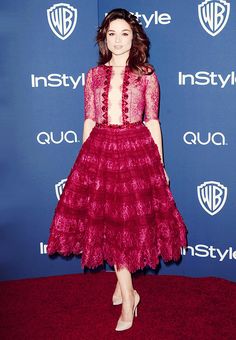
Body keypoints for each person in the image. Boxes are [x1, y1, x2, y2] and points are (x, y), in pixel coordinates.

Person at [47, 8, 188, 332]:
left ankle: (129, 300)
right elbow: (89, 119)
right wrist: (84, 161)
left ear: (134, 37)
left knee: (126, 226)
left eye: (124, 33)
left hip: (136, 151)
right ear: (104, 38)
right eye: (112, 33)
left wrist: (160, 164)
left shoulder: (147, 74)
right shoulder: (93, 76)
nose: (118, 40)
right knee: (107, 223)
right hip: (100, 149)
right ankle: (125, 291)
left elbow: (152, 120)